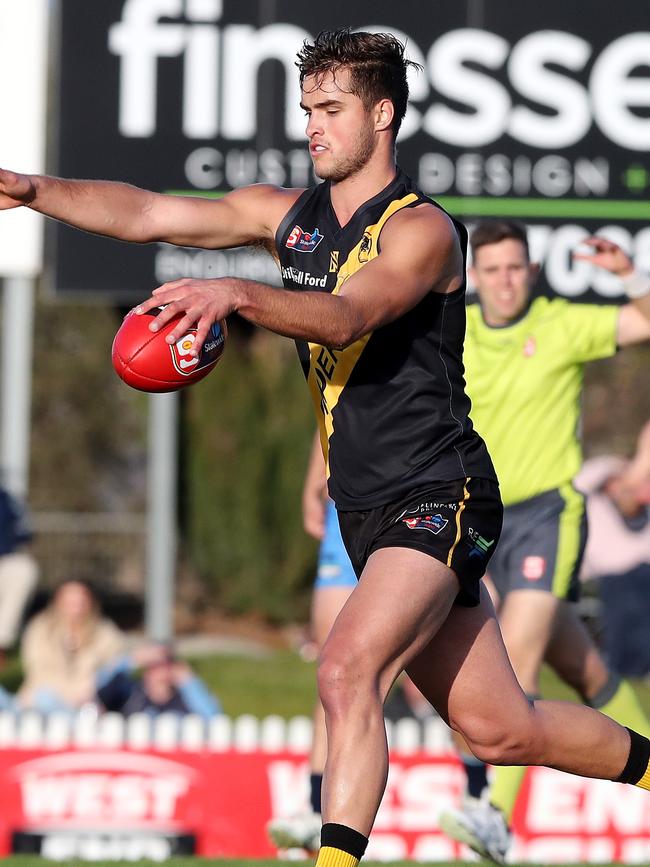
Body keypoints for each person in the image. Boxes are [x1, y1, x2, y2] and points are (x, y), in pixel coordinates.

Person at [2, 28, 650, 867]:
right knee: (502, 729)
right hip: (365, 504)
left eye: (332, 109)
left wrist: (235, 290)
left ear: (383, 115)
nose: (314, 126)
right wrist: (31, 187)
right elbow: (151, 213)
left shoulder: (423, 234)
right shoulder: (289, 218)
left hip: (440, 489)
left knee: (346, 667)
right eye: (308, 109)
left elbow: (347, 315)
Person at [438, 225, 650, 861]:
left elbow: (643, 323)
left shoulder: (560, 323)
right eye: (494, 269)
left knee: (510, 662)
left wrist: (629, 275)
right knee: (583, 668)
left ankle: (493, 817)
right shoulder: (456, 328)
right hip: (478, 515)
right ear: (476, 276)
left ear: (532, 272)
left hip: (546, 514)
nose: (505, 280)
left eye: (515, 268)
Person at [268, 431, 357, 853]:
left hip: (414, 497)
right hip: (346, 504)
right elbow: (325, 396)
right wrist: (312, 480)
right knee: (333, 675)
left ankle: (478, 793)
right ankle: (315, 809)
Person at [576, 421, 650, 676]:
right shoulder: (595, 498)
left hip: (642, 572)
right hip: (611, 577)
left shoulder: (641, 515)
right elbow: (586, 478)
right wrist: (636, 464)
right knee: (626, 611)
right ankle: (629, 668)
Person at [16, 579, 126, 713]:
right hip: (40, 705)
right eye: (70, 602)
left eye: (81, 601)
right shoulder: (40, 629)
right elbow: (37, 672)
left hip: (87, 706)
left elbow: (113, 670)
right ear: (58, 602)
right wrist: (72, 693)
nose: (76, 607)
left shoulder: (105, 632)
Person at [96, 641, 222, 719]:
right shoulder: (131, 694)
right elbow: (99, 690)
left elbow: (213, 717)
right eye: (153, 663)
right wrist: (130, 660)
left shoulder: (184, 697)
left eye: (165, 663)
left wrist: (189, 681)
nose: (159, 669)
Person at [0, 485, 38, 666]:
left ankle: (1, 643)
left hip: (4, 559)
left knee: (23, 569)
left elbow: (24, 534)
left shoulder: (6, 498)